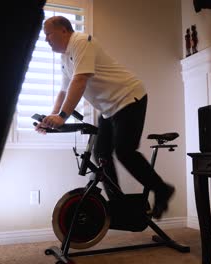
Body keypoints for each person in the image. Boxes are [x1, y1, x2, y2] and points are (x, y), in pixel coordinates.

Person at [35, 16, 174, 219]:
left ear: (64, 30)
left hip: (128, 97)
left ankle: (162, 189)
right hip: (109, 109)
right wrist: (52, 118)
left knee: (124, 151)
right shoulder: (65, 57)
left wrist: (63, 117)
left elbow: (80, 81)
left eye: (48, 33)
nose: (46, 39)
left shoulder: (81, 42)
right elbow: (64, 91)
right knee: (101, 154)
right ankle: (118, 204)